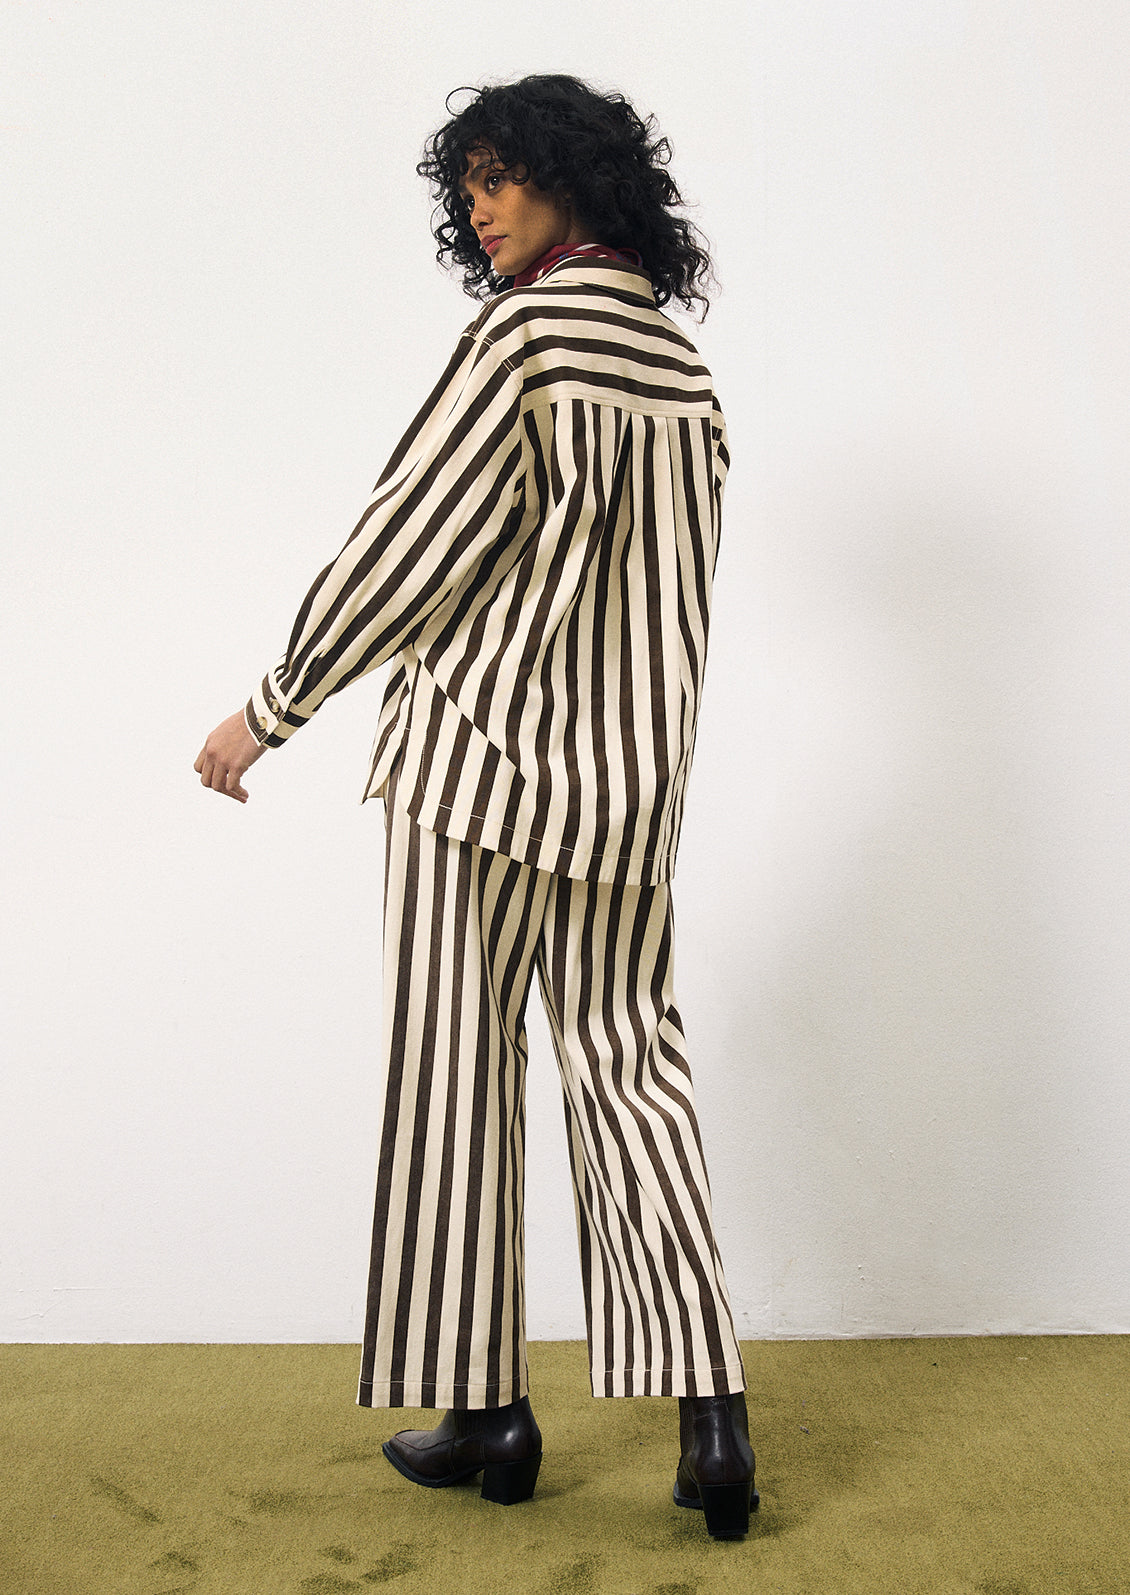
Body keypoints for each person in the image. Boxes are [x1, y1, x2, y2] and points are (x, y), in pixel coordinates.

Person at [194, 71, 757, 1541]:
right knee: (633, 1073)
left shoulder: (524, 340)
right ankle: (712, 1419)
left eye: (501, 176)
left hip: (475, 770)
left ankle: (490, 1411)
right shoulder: (680, 367)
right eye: (468, 186)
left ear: (572, 175)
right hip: (625, 798)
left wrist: (273, 705)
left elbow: (408, 544)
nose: (479, 208)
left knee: (454, 1077)